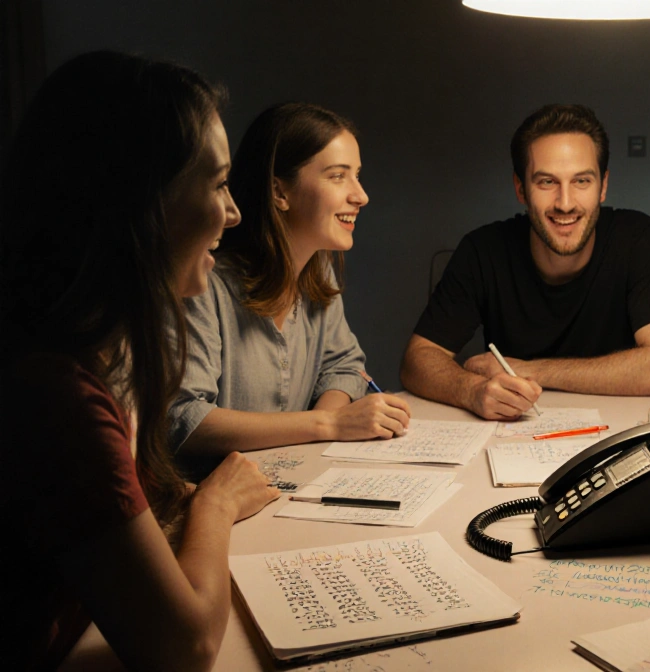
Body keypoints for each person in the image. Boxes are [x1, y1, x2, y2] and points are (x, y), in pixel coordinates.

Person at [0, 51, 279, 671]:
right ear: (141, 203)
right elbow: (182, 649)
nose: (233, 213)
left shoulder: (106, 353)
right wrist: (216, 501)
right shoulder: (55, 397)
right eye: (217, 184)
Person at [400, 104, 650, 420]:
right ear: (520, 188)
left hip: (619, 429)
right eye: (547, 182)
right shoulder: (483, 250)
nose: (565, 203)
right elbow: (418, 360)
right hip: (515, 433)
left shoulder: (639, 238)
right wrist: (471, 390)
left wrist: (531, 370)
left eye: (581, 181)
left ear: (603, 186)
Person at [169, 103, 411, 459]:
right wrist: (330, 426)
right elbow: (184, 418)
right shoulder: (203, 286)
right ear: (279, 192)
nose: (361, 196)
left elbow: (344, 367)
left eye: (357, 175)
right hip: (214, 500)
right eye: (338, 176)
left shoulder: (318, 272)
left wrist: (319, 433)